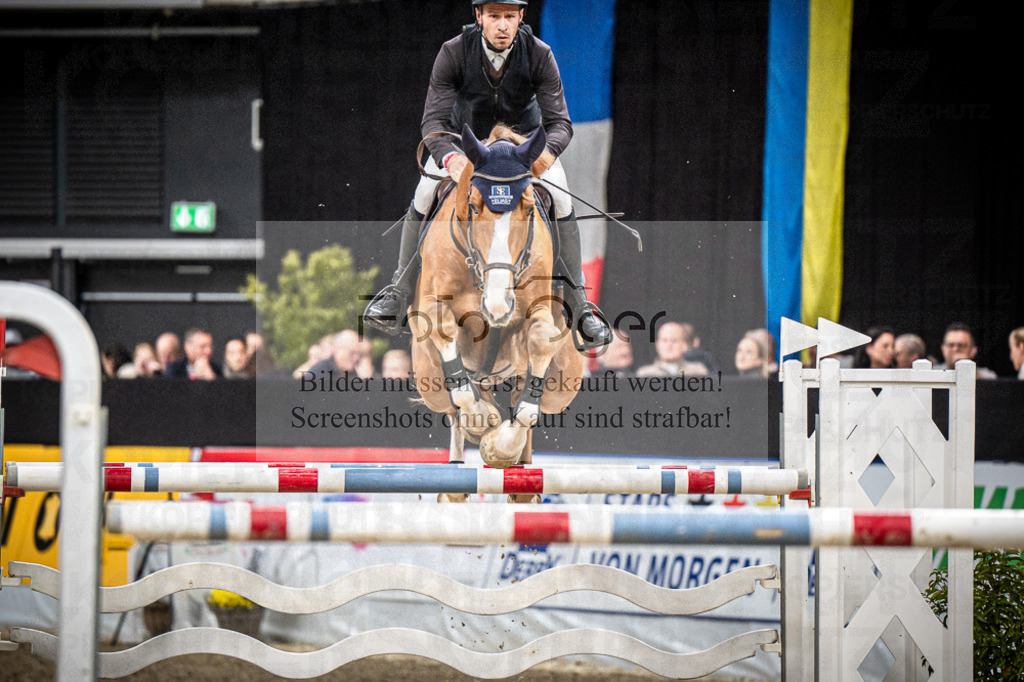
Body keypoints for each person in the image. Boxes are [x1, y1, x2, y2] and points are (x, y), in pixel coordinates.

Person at [362, 0, 612, 351]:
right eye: (494, 16)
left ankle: (581, 305)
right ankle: (399, 290)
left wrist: (542, 157)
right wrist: (449, 159)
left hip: (520, 150)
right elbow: (432, 122)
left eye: (510, 16)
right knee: (423, 192)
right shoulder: (453, 52)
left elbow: (560, 125)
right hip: (469, 148)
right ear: (479, 17)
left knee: (560, 193)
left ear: (521, 17)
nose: (502, 25)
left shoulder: (540, 53)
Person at [636, 322, 709, 378]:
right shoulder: (645, 374)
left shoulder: (698, 372)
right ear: (657, 345)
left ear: (684, 346)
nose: (669, 345)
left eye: (674, 341)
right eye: (665, 340)